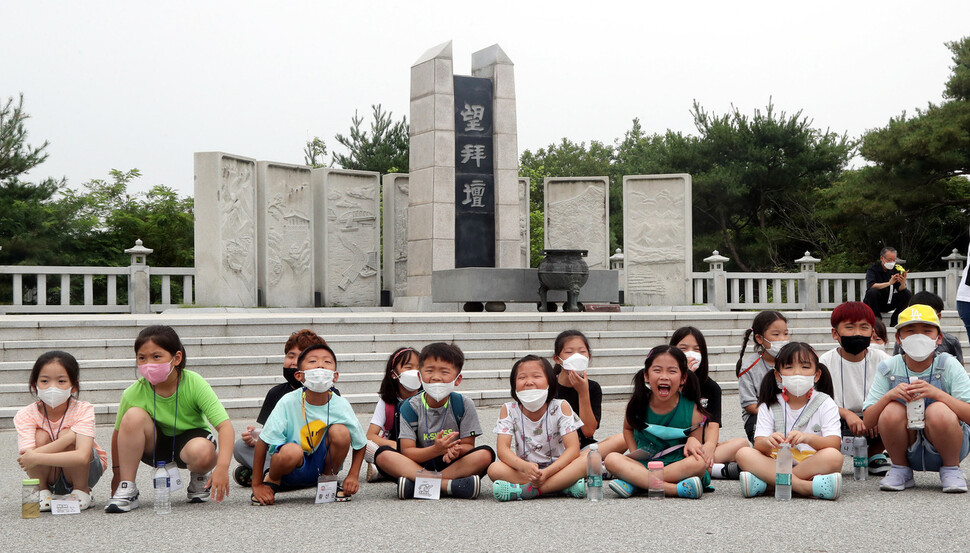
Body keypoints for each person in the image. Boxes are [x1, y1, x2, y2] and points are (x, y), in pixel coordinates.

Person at [106, 325, 234, 513]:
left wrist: (222, 468)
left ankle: (199, 476)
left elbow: (225, 427)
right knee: (133, 416)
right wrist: (117, 475)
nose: (148, 363)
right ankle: (128, 488)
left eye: (156, 357)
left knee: (203, 451)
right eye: (142, 358)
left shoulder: (194, 383)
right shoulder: (133, 393)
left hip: (190, 442)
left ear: (176, 358)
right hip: (154, 446)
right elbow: (118, 434)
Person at [863, 304, 970, 493]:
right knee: (890, 409)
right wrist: (890, 395)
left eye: (927, 331)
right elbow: (869, 420)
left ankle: (951, 469)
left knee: (938, 410)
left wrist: (938, 394)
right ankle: (900, 468)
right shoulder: (888, 368)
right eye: (910, 331)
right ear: (898, 338)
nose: (918, 337)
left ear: (938, 338)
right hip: (906, 446)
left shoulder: (949, 364)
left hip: (950, 445)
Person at [373, 342, 494, 500]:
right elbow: (407, 451)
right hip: (418, 464)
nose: (436, 377)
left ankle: (417, 486)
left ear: (458, 379)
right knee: (382, 455)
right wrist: (436, 450)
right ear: (420, 376)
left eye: (444, 372)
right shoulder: (409, 407)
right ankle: (448, 486)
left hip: (452, 463)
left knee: (486, 454)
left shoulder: (463, 404)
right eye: (429, 371)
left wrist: (456, 450)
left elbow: (468, 445)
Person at [250, 343, 366, 505]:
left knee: (341, 432)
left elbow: (361, 443)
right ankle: (273, 480)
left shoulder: (341, 404)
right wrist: (257, 484)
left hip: (321, 465)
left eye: (327, 362)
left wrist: (353, 475)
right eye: (312, 362)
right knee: (292, 451)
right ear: (299, 375)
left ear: (335, 376)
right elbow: (263, 441)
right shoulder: (288, 401)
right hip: (287, 468)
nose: (320, 365)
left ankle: (327, 480)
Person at [736, 342, 844, 500]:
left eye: (805, 367)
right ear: (778, 375)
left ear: (817, 375)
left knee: (834, 456)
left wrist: (808, 438)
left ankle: (768, 484)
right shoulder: (770, 403)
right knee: (743, 453)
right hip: (776, 460)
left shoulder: (825, 402)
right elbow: (759, 443)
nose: (797, 373)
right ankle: (805, 487)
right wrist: (769, 441)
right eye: (789, 367)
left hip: (810, 462)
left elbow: (834, 443)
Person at [603, 346, 708, 499]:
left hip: (677, 465)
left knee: (698, 463)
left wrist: (692, 440)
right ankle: (675, 489)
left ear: (683, 378)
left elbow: (696, 443)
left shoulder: (692, 409)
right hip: (645, 463)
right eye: (657, 370)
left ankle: (637, 482)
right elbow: (627, 428)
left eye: (672, 371)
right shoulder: (637, 404)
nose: (664, 376)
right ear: (646, 375)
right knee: (611, 459)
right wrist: (635, 453)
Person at [14, 351, 107, 511]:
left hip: (86, 471)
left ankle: (82, 491)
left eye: (61, 381)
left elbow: (82, 456)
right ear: (34, 385)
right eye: (44, 381)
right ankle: (42, 491)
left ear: (74, 386)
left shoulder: (83, 409)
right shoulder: (26, 414)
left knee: (67, 435)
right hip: (48, 474)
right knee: (41, 436)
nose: (52, 387)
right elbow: (28, 459)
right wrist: (69, 437)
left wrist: (67, 439)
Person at [233, 329, 326, 486]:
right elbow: (269, 435)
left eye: (302, 357)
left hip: (312, 455)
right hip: (282, 453)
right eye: (290, 356)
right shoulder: (276, 393)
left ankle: (272, 476)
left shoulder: (325, 393)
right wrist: (255, 437)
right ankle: (280, 476)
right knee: (240, 447)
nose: (294, 362)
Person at [488, 355, 586, 501]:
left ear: (550, 381)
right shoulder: (508, 409)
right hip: (525, 471)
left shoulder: (561, 406)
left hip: (558, 468)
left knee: (586, 461)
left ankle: (527, 491)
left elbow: (573, 449)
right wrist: (525, 467)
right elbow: (503, 450)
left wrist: (546, 473)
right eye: (522, 377)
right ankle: (563, 486)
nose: (529, 382)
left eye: (536, 376)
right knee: (494, 469)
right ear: (513, 384)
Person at [817, 301, 891, 475]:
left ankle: (874, 454)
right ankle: (829, 456)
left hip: (874, 422)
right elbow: (817, 400)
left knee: (893, 414)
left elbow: (895, 394)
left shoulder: (884, 360)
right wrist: (847, 414)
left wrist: (875, 412)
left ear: (872, 332)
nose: (857, 333)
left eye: (864, 327)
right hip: (838, 421)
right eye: (849, 327)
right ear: (835, 333)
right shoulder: (825, 362)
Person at [671, 327, 747, 479]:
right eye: (683, 349)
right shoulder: (666, 384)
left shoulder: (711, 387)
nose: (690, 353)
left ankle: (696, 467)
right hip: (669, 446)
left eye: (696, 349)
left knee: (742, 444)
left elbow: (713, 425)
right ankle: (717, 470)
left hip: (699, 447)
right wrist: (683, 378)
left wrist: (710, 446)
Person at [364, 346, 422, 482]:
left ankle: (386, 471)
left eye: (419, 368)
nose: (415, 372)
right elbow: (370, 435)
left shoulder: (427, 399)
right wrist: (393, 445)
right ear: (394, 374)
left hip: (420, 450)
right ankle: (405, 469)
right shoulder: (387, 402)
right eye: (409, 367)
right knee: (365, 445)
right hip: (394, 449)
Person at [736, 311, 789, 443]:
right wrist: (777, 415)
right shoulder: (749, 367)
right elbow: (750, 405)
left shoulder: (793, 362)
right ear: (760, 338)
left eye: (786, 333)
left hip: (790, 413)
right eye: (776, 334)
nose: (782, 339)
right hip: (759, 416)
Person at [891, 291, 964, 363]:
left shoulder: (950, 341)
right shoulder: (903, 341)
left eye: (928, 314)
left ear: (938, 316)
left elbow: (959, 365)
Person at [864, 247, 912, 327]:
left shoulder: (895, 269)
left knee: (907, 293)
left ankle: (895, 319)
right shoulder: (873, 269)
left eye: (894, 260)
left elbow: (900, 290)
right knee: (872, 292)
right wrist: (889, 283)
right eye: (889, 260)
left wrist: (903, 282)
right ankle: (877, 320)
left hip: (889, 301)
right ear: (882, 258)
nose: (892, 262)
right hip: (876, 302)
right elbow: (871, 285)